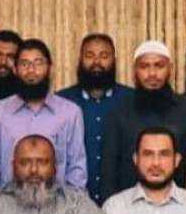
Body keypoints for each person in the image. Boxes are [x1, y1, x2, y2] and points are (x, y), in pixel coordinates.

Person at [0, 39, 87, 197]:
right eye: (24, 64)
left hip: (57, 206)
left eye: (38, 63)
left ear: (49, 68)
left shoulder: (70, 112)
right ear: (15, 69)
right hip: (8, 205)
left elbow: (76, 168)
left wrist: (72, 206)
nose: (31, 70)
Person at [99, 40, 186, 199]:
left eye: (159, 66)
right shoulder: (119, 110)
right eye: (144, 66)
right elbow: (108, 170)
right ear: (135, 70)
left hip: (179, 205)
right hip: (128, 205)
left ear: (170, 69)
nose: (152, 73)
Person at [57, 33, 134, 203]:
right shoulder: (61, 102)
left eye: (104, 56)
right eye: (89, 55)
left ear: (114, 60)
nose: (96, 62)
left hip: (124, 203)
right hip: (72, 203)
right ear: (80, 60)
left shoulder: (132, 100)